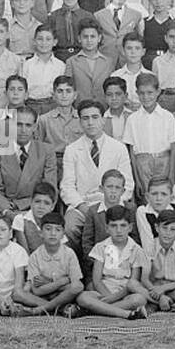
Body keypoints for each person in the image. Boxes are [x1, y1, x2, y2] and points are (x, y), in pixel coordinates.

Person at [60, 99, 133, 246]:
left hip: (111, 203)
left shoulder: (118, 147)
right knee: (69, 228)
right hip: (83, 204)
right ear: (80, 122)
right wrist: (82, 206)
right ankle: (81, 263)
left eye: (95, 117)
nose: (90, 123)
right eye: (85, 118)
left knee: (112, 227)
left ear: (103, 120)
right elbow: (67, 186)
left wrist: (112, 205)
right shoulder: (72, 149)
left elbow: (128, 184)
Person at [77, 205, 148, 319]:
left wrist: (114, 298)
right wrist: (108, 296)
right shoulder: (100, 247)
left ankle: (97, 310)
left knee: (139, 299)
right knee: (83, 297)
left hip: (124, 294)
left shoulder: (136, 249)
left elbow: (132, 282)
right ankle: (125, 313)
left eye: (123, 225)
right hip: (103, 291)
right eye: (113, 226)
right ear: (107, 228)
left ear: (130, 228)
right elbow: (97, 280)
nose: (118, 230)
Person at [0, 106, 57, 219]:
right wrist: (8, 211)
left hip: (37, 210)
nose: (23, 130)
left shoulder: (46, 151)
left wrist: (20, 205)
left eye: (28, 125)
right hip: (5, 211)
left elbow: (49, 190)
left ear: (35, 127)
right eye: (19, 124)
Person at [13, 211, 85, 317]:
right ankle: (59, 309)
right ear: (41, 233)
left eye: (58, 230)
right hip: (42, 297)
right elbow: (37, 291)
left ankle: (39, 310)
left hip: (64, 294)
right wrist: (63, 281)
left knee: (77, 287)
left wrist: (49, 283)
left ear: (63, 234)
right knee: (18, 294)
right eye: (48, 229)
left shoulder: (69, 253)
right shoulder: (35, 256)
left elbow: (76, 285)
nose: (53, 233)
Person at [76, 169, 138, 263]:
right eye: (109, 187)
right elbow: (87, 242)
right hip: (99, 263)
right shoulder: (93, 211)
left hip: (125, 262)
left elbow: (135, 237)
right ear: (101, 188)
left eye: (117, 187)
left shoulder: (130, 209)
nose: (113, 191)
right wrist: (96, 263)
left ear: (123, 191)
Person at [34, 75, 81, 185]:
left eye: (68, 91)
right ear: (53, 95)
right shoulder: (44, 119)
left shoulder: (81, 118)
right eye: (60, 91)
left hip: (77, 161)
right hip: (53, 162)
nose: (64, 95)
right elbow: (39, 148)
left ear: (75, 95)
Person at [93, 0, 146, 68]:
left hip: (126, 60)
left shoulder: (136, 15)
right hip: (105, 60)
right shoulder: (98, 15)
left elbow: (140, 37)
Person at [65, 20, 113, 103]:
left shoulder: (108, 62)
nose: (89, 40)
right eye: (85, 37)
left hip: (102, 107)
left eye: (93, 36)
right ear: (79, 38)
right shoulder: (72, 62)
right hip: (80, 109)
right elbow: (68, 88)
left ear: (99, 38)